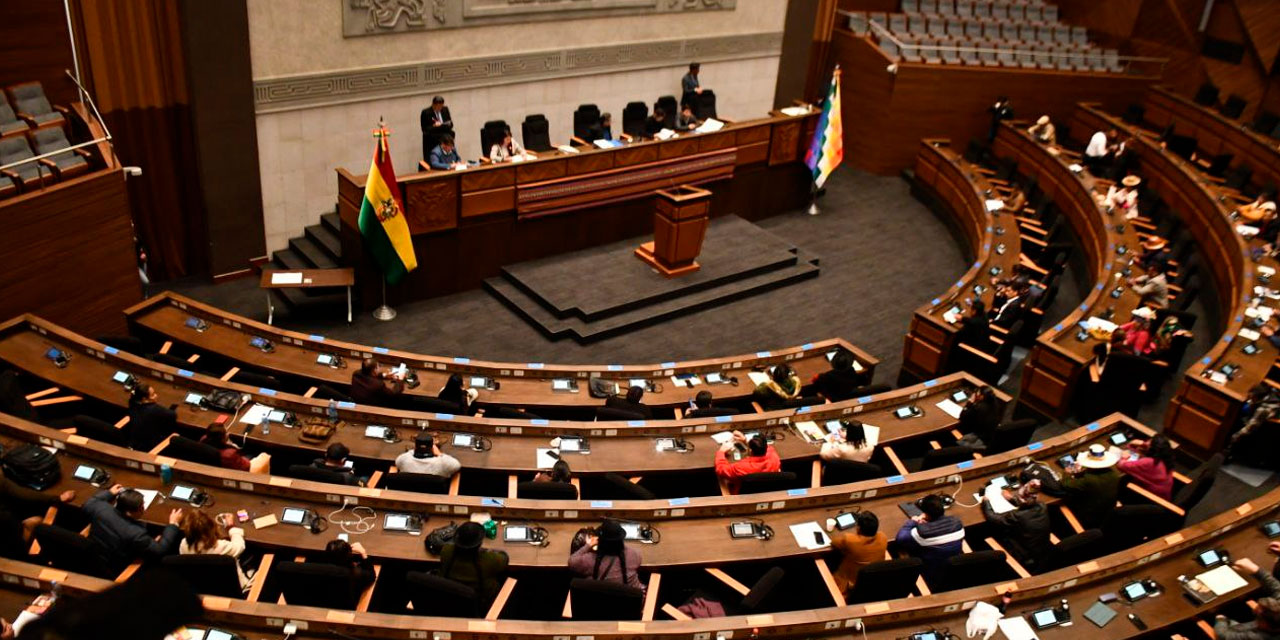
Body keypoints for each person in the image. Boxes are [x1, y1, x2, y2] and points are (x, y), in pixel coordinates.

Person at [84, 484, 183, 573]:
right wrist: (173, 524)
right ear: (129, 512)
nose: (143, 509)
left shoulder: (101, 508)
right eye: (141, 507)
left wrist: (109, 493)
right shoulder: (135, 533)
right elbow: (160, 550)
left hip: (92, 553)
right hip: (114, 565)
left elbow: (89, 503)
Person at [981, 479, 1052, 571]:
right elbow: (1028, 503)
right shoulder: (1042, 506)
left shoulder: (1017, 516)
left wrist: (985, 503)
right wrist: (1011, 499)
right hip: (1042, 549)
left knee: (991, 530)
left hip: (1025, 556)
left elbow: (993, 518)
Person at [892, 494, 965, 582]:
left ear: (925, 514)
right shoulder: (957, 523)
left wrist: (913, 521)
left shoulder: (922, 533)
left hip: (930, 572)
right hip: (952, 567)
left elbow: (901, 538)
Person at [438, 521, 510, 605]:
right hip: (482, 600)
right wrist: (490, 550)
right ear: (479, 543)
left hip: (449, 597)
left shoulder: (446, 550)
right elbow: (505, 559)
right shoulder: (490, 559)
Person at [0, 479, 73, 559]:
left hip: (12, 539)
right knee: (41, 525)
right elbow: (23, 494)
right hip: (19, 549)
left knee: (36, 521)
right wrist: (59, 498)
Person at [177, 511, 249, 591]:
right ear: (212, 528)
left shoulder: (183, 545)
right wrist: (231, 527)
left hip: (203, 587)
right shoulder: (220, 546)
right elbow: (239, 546)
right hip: (234, 588)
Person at [568, 519, 645, 592]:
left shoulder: (590, 560)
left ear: (600, 540)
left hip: (602, 603)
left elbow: (572, 562)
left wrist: (588, 545)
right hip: (631, 603)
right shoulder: (635, 555)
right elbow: (635, 558)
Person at [1213, 557, 1280, 639]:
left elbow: (1223, 635)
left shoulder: (1255, 637)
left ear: (1265, 624)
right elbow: (1277, 588)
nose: (1254, 609)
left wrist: (1220, 620)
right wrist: (1256, 570)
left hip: (1236, 631)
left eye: (1256, 612)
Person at [1060, 444, 1122, 528]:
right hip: (1110, 511)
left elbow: (1066, 484)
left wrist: (1067, 473)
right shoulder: (1113, 474)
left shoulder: (1088, 480)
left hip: (1091, 517)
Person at [830, 510, 888, 593]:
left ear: (858, 528)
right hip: (872, 580)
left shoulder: (850, 540)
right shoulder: (883, 537)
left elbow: (834, 543)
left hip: (848, 582)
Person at [714, 431, 781, 494]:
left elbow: (721, 469)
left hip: (742, 496)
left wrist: (721, 451)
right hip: (766, 491)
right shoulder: (774, 456)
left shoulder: (741, 467)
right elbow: (768, 448)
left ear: (750, 451)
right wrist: (744, 439)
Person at [1117, 434, 1175, 499]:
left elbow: (1122, 466)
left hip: (1151, 499)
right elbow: (1137, 453)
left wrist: (1124, 457)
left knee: (1120, 480)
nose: (1146, 442)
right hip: (1163, 495)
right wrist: (1136, 444)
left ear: (1153, 448)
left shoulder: (1150, 462)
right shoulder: (1165, 458)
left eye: (1149, 441)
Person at [126, 384, 177, 452]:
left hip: (134, 441)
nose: (156, 396)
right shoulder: (154, 409)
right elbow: (173, 415)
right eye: (153, 395)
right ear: (144, 399)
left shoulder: (132, 403)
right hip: (148, 446)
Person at [394, 432, 461, 478]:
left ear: (415, 447)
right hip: (435, 498)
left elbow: (398, 462)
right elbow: (457, 465)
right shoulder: (442, 463)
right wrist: (439, 453)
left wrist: (413, 450)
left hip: (406, 496)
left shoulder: (405, 459)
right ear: (432, 447)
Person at [420, 95, 453, 160]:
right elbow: (424, 129)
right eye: (438, 106)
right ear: (433, 105)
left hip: (445, 139)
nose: (440, 108)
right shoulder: (426, 112)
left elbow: (450, 124)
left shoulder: (445, 109)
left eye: (441, 106)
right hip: (433, 140)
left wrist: (442, 125)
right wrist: (434, 126)